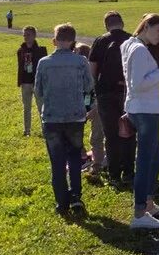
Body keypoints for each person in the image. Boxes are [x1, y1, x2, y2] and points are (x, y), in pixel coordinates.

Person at [34, 24, 93, 216]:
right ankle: (76, 196)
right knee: (75, 158)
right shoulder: (81, 61)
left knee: (57, 162)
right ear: (73, 41)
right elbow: (88, 85)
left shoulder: (44, 62)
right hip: (75, 116)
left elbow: (39, 90)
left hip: (52, 117)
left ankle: (61, 202)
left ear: (54, 41)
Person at [122, 14, 159, 230]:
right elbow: (138, 84)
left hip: (138, 108)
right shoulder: (141, 50)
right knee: (145, 161)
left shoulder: (129, 44)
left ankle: (147, 204)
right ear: (147, 25)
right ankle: (139, 212)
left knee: (156, 157)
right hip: (145, 110)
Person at [88, 12, 136, 187]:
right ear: (122, 23)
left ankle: (114, 174)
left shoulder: (100, 41)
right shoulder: (132, 40)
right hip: (127, 93)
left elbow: (92, 69)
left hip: (106, 93)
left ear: (106, 25)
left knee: (111, 134)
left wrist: (96, 88)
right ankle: (129, 171)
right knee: (129, 132)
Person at [74, 43, 104, 180]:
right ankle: (84, 157)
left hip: (97, 108)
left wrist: (94, 109)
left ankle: (97, 165)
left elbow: (100, 94)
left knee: (96, 137)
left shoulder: (96, 73)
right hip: (82, 107)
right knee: (75, 134)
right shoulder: (75, 72)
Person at [17, 26, 47, 136]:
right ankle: (27, 130)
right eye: (24, 35)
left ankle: (45, 130)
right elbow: (20, 67)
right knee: (26, 107)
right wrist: (20, 81)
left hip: (37, 82)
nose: (25, 37)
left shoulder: (41, 50)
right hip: (25, 82)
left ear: (34, 36)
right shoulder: (20, 50)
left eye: (28, 35)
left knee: (41, 107)